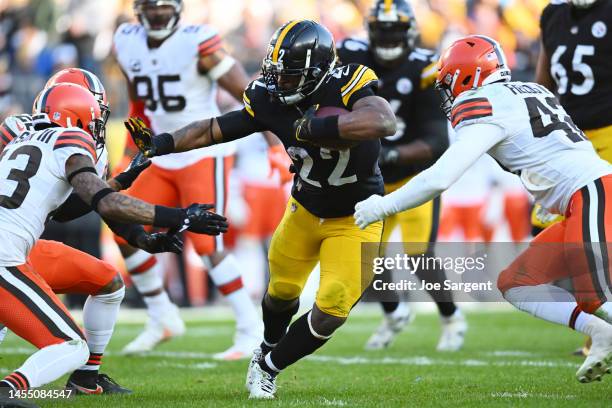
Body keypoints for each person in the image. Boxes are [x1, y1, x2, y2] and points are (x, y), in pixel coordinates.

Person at [126, 19, 396, 399]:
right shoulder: (267, 98)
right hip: (304, 208)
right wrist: (162, 143)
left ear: (317, 72)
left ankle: (269, 366)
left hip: (359, 216)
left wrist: (313, 129)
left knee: (333, 306)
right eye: (276, 73)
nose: (278, 83)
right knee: (281, 292)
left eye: (289, 76)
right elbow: (213, 128)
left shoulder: (348, 82)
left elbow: (383, 120)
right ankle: (268, 345)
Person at [353, 35, 612, 383]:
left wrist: (383, 206)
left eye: (448, 81)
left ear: (467, 76)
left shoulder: (481, 102)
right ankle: (601, 333)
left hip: (594, 192)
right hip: (587, 193)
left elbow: (439, 178)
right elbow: (550, 150)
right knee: (518, 283)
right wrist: (552, 199)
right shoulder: (534, 91)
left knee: (595, 295)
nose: (447, 92)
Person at [0, 82, 227, 400]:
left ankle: (85, 380)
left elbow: (72, 206)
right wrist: (180, 217)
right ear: (75, 116)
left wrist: (136, 228)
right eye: (93, 119)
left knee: (108, 281)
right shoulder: (70, 138)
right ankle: (9, 390)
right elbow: (103, 202)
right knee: (70, 347)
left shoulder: (20, 135)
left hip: (20, 247)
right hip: (6, 254)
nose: (97, 128)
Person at [112, 0, 263, 359]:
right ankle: (162, 315)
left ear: (178, 9)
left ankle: (249, 327)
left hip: (201, 150)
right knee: (122, 223)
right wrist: (131, 147)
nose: (158, 14)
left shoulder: (198, 40)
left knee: (207, 242)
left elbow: (251, 96)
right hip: (160, 152)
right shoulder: (126, 39)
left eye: (164, 8)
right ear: (139, 10)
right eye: (151, 8)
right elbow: (138, 105)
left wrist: (275, 143)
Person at [337, 0, 466, 351]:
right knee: (366, 255)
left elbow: (436, 141)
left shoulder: (425, 69)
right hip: (372, 179)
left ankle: (452, 317)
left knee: (419, 255)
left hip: (414, 179)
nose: (389, 36)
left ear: (409, 32)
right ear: (371, 31)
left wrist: (389, 152)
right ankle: (394, 313)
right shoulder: (352, 56)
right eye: (383, 29)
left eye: (395, 30)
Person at [534, 0, 612, 356]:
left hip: (609, 134)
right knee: (545, 233)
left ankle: (598, 333)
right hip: (569, 141)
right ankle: (597, 324)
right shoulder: (553, 14)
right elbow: (544, 81)